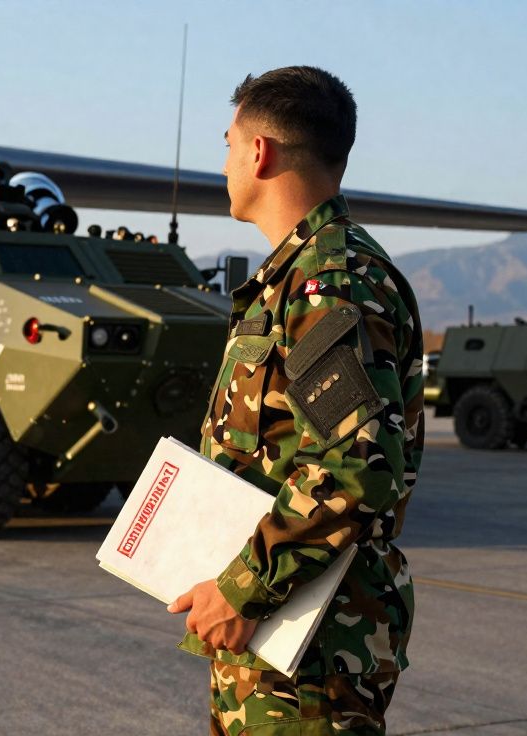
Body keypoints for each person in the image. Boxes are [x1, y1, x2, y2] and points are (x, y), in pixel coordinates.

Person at [166, 67, 424, 735]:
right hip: (283, 631)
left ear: (260, 152)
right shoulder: (299, 278)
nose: (223, 164)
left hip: (311, 651)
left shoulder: (327, 284)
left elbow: (358, 463)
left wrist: (242, 588)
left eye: (227, 144)